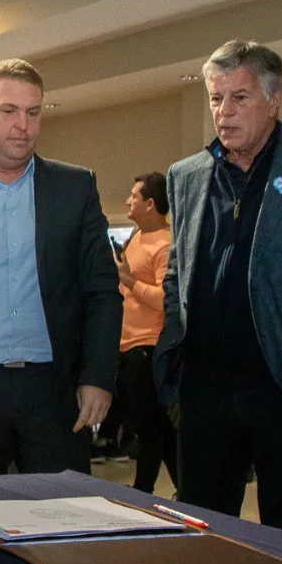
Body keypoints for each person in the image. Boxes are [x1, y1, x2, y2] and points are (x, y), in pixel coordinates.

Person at [155, 39, 282, 538]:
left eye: (239, 98)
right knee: (202, 539)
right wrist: (175, 360)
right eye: (216, 98)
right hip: (206, 395)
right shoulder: (187, 176)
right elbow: (178, 274)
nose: (224, 112)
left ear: (275, 98)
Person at [0, 59, 121, 478]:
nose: (24, 125)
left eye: (34, 113)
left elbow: (102, 291)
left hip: (54, 392)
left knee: (64, 526)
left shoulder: (75, 188)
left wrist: (98, 376)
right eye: (9, 111)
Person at [113, 173, 175, 494]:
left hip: (149, 349)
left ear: (150, 204)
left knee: (152, 428)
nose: (128, 201)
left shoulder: (165, 244)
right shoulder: (136, 237)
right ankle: (185, 489)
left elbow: (167, 300)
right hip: (127, 349)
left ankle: (143, 491)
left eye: (134, 196)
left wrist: (130, 283)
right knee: (153, 426)